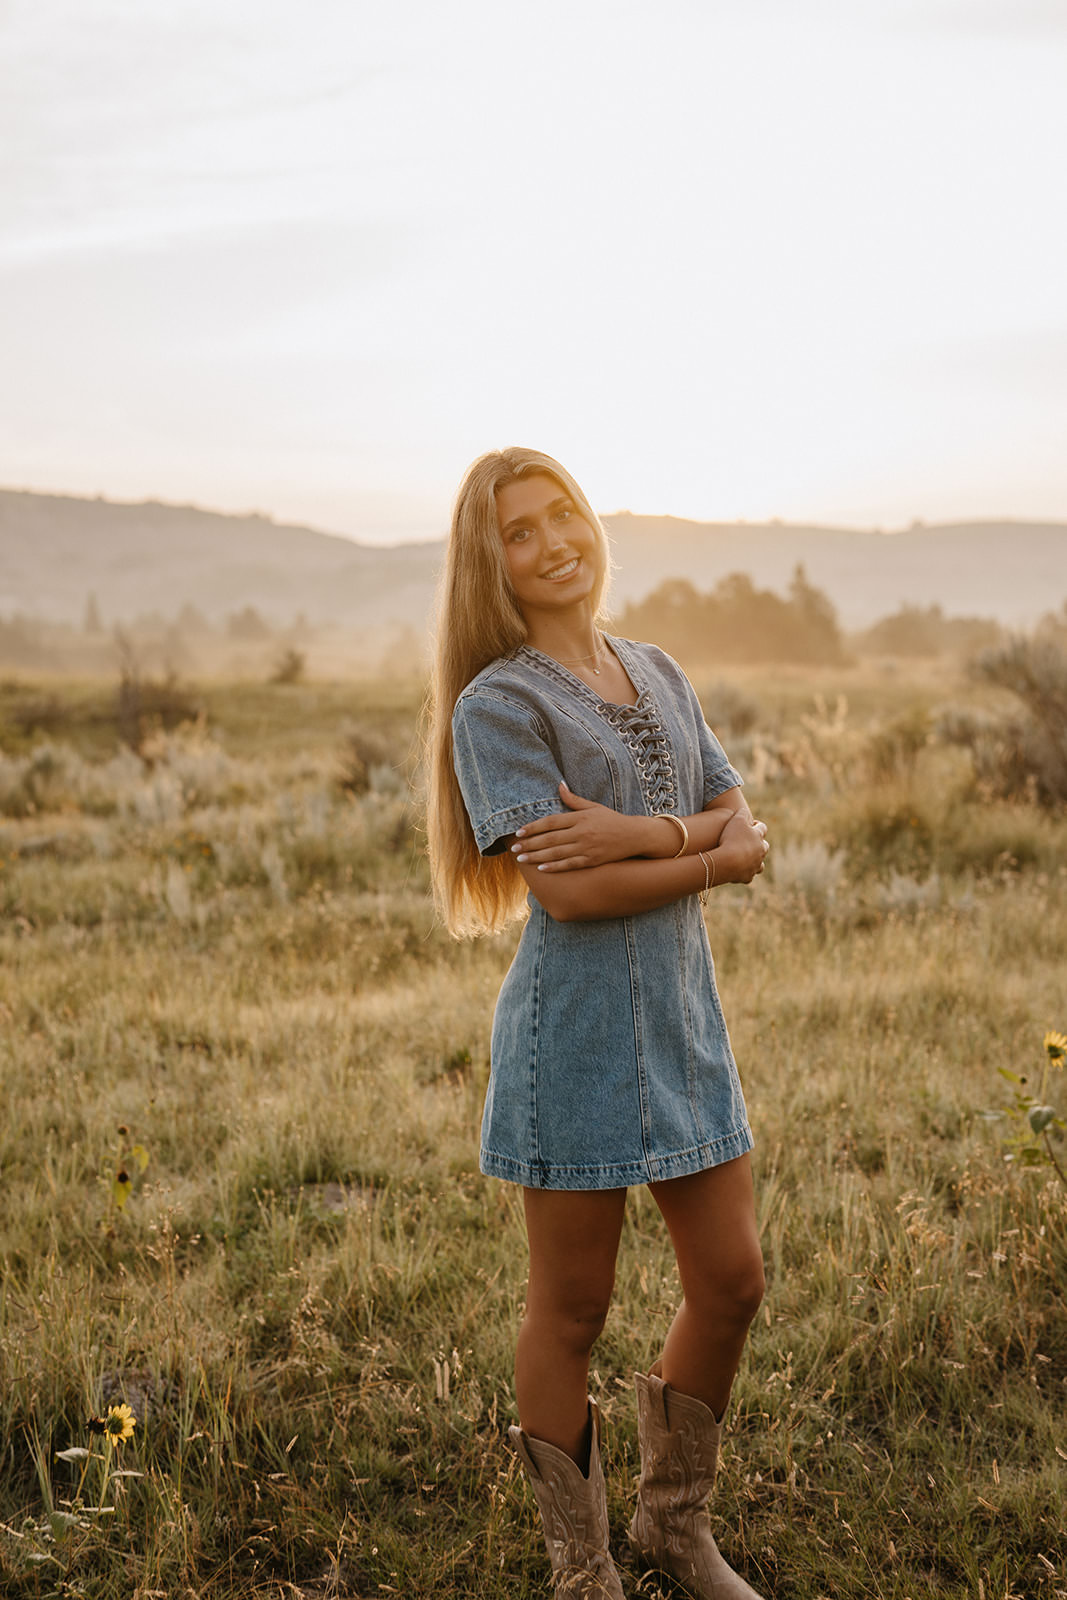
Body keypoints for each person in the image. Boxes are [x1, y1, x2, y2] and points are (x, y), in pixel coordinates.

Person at [426, 447, 769, 1600]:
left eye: (558, 513)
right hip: (569, 1038)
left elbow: (743, 828)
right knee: (569, 1310)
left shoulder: (658, 669)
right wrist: (699, 844)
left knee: (732, 1281)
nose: (550, 541)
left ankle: (676, 1527)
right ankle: (583, 1567)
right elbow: (566, 894)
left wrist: (649, 837)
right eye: (516, 532)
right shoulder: (498, 703)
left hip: (681, 1028)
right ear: (493, 565)